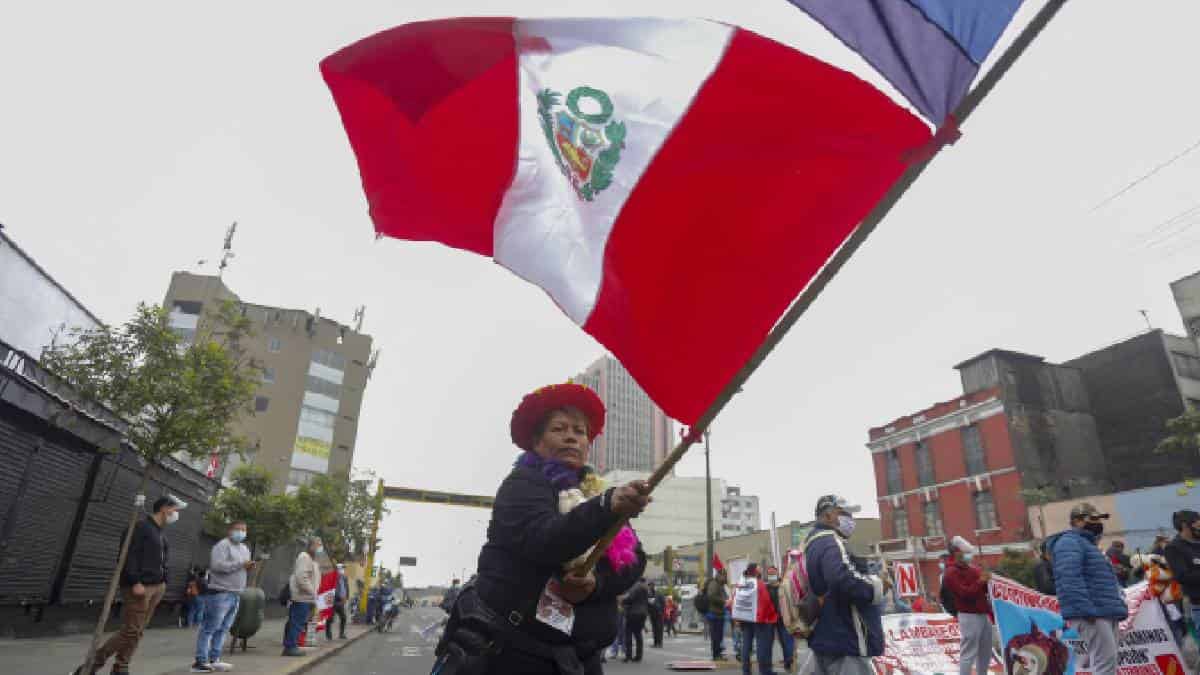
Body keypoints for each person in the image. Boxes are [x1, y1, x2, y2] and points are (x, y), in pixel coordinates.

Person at [435, 383, 650, 675]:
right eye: (559, 429)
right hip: (515, 654)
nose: (571, 437)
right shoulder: (523, 484)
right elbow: (544, 539)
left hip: (580, 659)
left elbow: (635, 559)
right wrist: (605, 507)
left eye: (580, 431)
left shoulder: (596, 493)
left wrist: (595, 585)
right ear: (536, 442)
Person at [78, 495, 185, 675]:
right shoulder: (140, 527)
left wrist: (164, 581)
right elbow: (128, 555)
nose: (176, 514)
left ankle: (121, 667)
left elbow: (162, 560)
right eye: (175, 509)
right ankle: (89, 667)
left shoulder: (159, 533)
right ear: (164, 508)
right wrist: (135, 581)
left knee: (138, 631)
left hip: (156, 586)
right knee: (131, 630)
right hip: (140, 587)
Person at [806, 495, 887, 675]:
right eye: (844, 513)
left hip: (827, 635)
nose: (850, 519)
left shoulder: (812, 544)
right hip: (846, 637)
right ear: (828, 516)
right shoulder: (830, 541)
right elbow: (840, 578)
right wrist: (877, 586)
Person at [1047, 503, 1128, 675]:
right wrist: (1085, 611)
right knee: (1104, 663)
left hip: (1104, 611)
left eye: (1099, 519)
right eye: (1093, 518)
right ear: (1077, 521)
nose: (1098, 523)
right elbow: (1069, 578)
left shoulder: (1087, 544)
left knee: (1109, 662)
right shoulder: (1069, 542)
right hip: (1092, 613)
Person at [191, 520, 254, 672]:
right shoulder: (222, 545)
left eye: (244, 530)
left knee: (224, 628)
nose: (241, 532)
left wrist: (248, 567)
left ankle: (214, 659)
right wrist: (241, 564)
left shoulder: (245, 548)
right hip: (220, 592)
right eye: (238, 529)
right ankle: (200, 661)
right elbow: (217, 566)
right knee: (210, 627)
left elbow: (242, 567)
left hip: (236, 592)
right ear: (229, 530)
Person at [942, 536, 992, 675]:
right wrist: (981, 581)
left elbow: (983, 589)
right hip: (968, 615)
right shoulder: (951, 572)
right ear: (956, 552)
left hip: (982, 613)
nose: (968, 555)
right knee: (968, 653)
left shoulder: (972, 569)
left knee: (985, 651)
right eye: (965, 552)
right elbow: (964, 593)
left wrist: (987, 579)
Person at [733, 562, 779, 675]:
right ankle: (765, 671)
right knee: (761, 646)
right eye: (759, 569)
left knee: (746, 646)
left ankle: (746, 670)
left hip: (745, 619)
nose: (761, 571)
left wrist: (738, 617)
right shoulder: (759, 584)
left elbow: (735, 600)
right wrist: (772, 615)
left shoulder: (741, 583)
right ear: (756, 572)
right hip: (760, 619)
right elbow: (766, 602)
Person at [1164, 510, 1200, 646]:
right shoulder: (1174, 548)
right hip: (1197, 603)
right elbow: (1182, 576)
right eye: (1197, 524)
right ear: (1185, 525)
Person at [283, 537, 323, 657]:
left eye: (320, 545)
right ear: (310, 546)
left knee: (298, 622)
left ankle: (291, 645)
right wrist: (312, 592)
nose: (319, 547)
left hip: (306, 597)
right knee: (296, 622)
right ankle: (290, 647)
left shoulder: (311, 560)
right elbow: (301, 578)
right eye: (317, 545)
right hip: (302, 597)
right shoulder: (304, 557)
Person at [764, 565, 794, 672]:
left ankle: (788, 661)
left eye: (773, 573)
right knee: (768, 642)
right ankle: (767, 666)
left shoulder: (783, 585)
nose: (771, 575)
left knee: (786, 640)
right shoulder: (765, 587)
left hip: (782, 617)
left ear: (777, 574)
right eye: (770, 574)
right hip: (770, 618)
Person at [704, 563, 731, 660]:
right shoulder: (714, 584)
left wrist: (727, 599)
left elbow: (723, 595)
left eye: (725, 575)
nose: (725, 577)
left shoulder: (720, 584)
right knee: (716, 636)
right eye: (723, 575)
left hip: (719, 613)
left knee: (719, 636)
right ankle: (716, 655)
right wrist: (723, 601)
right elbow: (711, 596)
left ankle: (718, 653)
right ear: (719, 575)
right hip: (714, 613)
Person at [622, 577, 650, 662]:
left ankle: (628, 656)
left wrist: (622, 600)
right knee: (638, 634)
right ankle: (639, 656)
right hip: (643, 613)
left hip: (633, 613)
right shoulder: (645, 589)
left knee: (628, 634)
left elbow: (630, 599)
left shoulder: (635, 587)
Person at [326, 563, 349, 640]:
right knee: (330, 618)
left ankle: (341, 634)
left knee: (343, 617)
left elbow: (346, 587)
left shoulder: (344, 578)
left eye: (343, 568)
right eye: (342, 568)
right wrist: (340, 597)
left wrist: (347, 597)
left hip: (341, 601)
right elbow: (332, 589)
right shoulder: (332, 578)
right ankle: (328, 634)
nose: (343, 570)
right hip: (334, 600)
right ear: (337, 569)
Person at [647, 581, 665, 648]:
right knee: (654, 629)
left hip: (659, 614)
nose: (650, 587)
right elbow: (648, 604)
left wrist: (661, 611)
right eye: (649, 586)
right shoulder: (648, 594)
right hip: (652, 614)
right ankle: (655, 643)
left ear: (653, 586)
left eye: (651, 585)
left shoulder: (659, 593)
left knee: (659, 629)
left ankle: (659, 643)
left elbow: (663, 603)